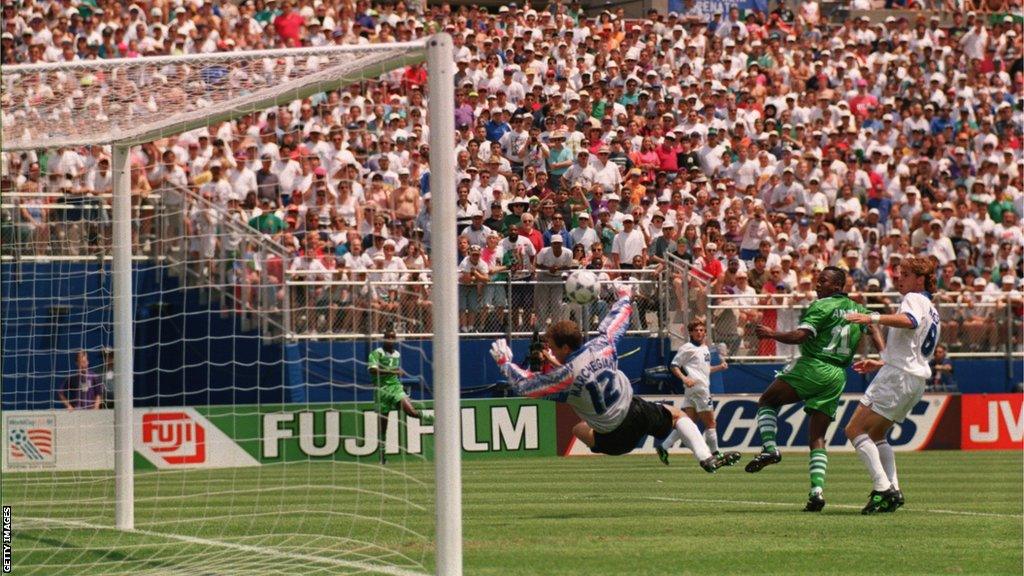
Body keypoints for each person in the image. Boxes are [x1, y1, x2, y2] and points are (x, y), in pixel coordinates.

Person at [490, 286, 739, 472]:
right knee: (678, 416)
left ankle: (702, 456)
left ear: (566, 348)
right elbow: (617, 321)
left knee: (578, 428)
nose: (551, 351)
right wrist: (623, 296)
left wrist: (505, 364)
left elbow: (526, 385)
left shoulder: (564, 376)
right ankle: (706, 457)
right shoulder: (602, 345)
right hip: (635, 411)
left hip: (613, 438)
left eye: (554, 348)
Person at [747, 267, 885, 512]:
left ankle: (770, 449)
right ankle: (817, 492)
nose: (817, 284)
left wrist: (772, 334)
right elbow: (874, 326)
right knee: (817, 436)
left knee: (767, 401)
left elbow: (801, 336)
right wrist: (883, 355)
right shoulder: (859, 310)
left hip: (814, 366)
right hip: (837, 376)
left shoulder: (822, 306)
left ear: (837, 286)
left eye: (823, 281)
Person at [844, 256, 941, 514]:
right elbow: (914, 347)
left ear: (920, 279)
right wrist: (881, 363)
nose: (899, 278)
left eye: (906, 274)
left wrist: (872, 318)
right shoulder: (932, 308)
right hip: (913, 378)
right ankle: (893, 490)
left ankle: (882, 488)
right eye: (899, 273)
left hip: (898, 377)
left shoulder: (914, 299)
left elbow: (910, 321)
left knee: (854, 430)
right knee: (876, 435)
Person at [657, 319, 738, 467]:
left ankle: (664, 447)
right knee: (711, 423)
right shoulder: (687, 348)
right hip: (699, 389)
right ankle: (716, 454)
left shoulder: (705, 348)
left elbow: (704, 371)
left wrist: (719, 367)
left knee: (689, 423)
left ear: (705, 333)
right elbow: (674, 365)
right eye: (696, 330)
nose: (699, 332)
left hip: (694, 390)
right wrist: (684, 378)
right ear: (691, 333)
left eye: (702, 330)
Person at [368, 329, 433, 465]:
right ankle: (382, 456)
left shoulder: (397, 354)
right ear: (384, 339)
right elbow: (372, 370)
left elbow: (393, 374)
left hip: (396, 388)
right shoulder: (376, 353)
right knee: (383, 425)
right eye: (388, 337)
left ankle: (434, 419)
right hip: (382, 391)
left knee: (411, 411)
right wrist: (393, 371)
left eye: (393, 337)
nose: (390, 340)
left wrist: (395, 374)